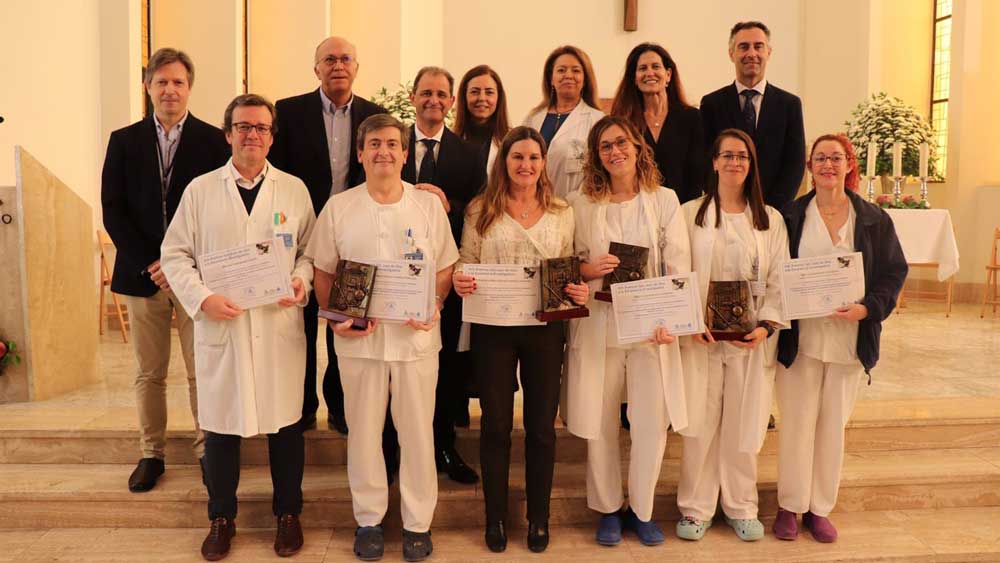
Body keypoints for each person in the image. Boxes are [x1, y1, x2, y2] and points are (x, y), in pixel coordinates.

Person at [160, 94, 315, 561]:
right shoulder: (200, 190)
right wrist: (203, 297)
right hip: (222, 327)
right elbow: (175, 255)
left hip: (277, 326)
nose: (253, 135)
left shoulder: (293, 190)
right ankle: (221, 517)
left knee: (286, 426)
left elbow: (310, 252)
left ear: (272, 135)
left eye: (262, 128)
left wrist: (300, 280)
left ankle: (289, 514)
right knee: (222, 426)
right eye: (243, 127)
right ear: (228, 133)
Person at [308, 113, 459, 562]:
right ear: (360, 153)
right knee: (365, 432)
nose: (384, 152)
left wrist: (432, 304)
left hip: (415, 343)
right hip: (359, 343)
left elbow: (447, 266)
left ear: (405, 153)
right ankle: (369, 519)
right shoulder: (339, 207)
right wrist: (336, 316)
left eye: (393, 144)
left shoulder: (428, 206)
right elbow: (323, 271)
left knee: (416, 432)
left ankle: (418, 523)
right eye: (374, 144)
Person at [453, 126, 589, 553]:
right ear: (504, 162)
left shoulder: (563, 210)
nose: (525, 165)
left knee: (541, 429)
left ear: (543, 163)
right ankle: (493, 518)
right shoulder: (481, 209)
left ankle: (538, 519)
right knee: (494, 425)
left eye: (533, 157)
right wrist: (460, 279)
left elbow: (569, 266)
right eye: (517, 157)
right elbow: (465, 261)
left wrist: (578, 290)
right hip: (493, 328)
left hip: (545, 329)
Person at [101, 47, 229, 493]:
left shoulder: (215, 142)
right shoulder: (124, 140)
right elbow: (113, 211)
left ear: (189, 87)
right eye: (161, 82)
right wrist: (153, 262)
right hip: (143, 276)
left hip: (196, 278)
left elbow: (219, 212)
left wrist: (183, 266)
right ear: (148, 87)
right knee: (149, 372)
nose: (170, 89)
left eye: (178, 81)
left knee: (202, 368)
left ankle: (207, 450)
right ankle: (151, 453)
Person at [773, 134, 907, 543]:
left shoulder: (872, 219)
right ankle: (789, 506)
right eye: (820, 158)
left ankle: (820, 508)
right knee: (796, 423)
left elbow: (893, 273)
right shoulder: (790, 216)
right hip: (803, 338)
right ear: (809, 166)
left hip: (849, 340)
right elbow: (778, 272)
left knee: (833, 426)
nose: (828, 165)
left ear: (849, 164)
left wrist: (868, 308)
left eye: (836, 158)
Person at [565, 116, 691, 547]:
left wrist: (672, 320)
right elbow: (567, 263)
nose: (614, 152)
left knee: (650, 422)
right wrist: (587, 269)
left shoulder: (664, 200)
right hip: (599, 324)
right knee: (600, 422)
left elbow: (678, 265)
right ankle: (607, 510)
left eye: (621, 143)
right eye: (605, 147)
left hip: (649, 328)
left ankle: (642, 508)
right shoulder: (580, 202)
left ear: (638, 148)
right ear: (596, 156)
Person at [676, 128, 788, 542]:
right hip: (702, 339)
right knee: (701, 424)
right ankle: (695, 508)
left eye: (742, 156)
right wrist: (691, 320)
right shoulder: (690, 214)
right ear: (714, 161)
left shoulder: (770, 219)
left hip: (750, 341)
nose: (734, 162)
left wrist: (765, 325)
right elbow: (679, 272)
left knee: (744, 425)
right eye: (727, 155)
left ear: (751, 164)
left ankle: (741, 505)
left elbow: (779, 278)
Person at [270, 36, 386, 434]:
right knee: (298, 325)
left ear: (357, 67)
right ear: (316, 68)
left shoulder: (376, 114)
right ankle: (300, 407)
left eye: (346, 59)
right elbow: (278, 175)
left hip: (353, 236)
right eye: (329, 59)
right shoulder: (287, 112)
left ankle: (338, 407)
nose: (338, 65)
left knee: (346, 318)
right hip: (299, 234)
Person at [399, 66, 484, 485]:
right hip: (395, 274)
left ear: (452, 103)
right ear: (413, 97)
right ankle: (394, 446)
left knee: (445, 362)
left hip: (444, 272)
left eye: (442, 94)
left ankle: (443, 444)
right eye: (426, 92)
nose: (434, 100)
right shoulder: (389, 144)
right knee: (396, 362)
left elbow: (480, 206)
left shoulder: (468, 153)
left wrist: (445, 201)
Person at [700, 21, 805, 210]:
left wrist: (768, 209)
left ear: (768, 52)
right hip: (724, 211)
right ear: (731, 54)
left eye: (758, 46)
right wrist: (727, 205)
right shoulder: (711, 104)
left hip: (773, 213)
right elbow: (707, 160)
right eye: (743, 47)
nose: (751, 54)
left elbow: (794, 164)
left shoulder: (789, 104)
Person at [610, 43, 705, 204]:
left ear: (668, 74)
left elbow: (699, 172)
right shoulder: (624, 122)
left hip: (683, 209)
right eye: (642, 68)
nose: (649, 73)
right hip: (638, 210)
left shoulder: (691, 118)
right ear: (634, 78)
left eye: (655, 66)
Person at [523, 45, 605, 199]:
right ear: (551, 79)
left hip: (576, 208)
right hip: (533, 205)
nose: (568, 75)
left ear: (585, 79)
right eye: (561, 70)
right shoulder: (533, 118)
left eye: (576, 70)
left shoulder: (597, 120)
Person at [454, 64, 511, 182]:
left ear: (499, 98)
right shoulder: (451, 140)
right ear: (464, 96)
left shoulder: (512, 140)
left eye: (489, 92)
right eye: (475, 92)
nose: (482, 98)